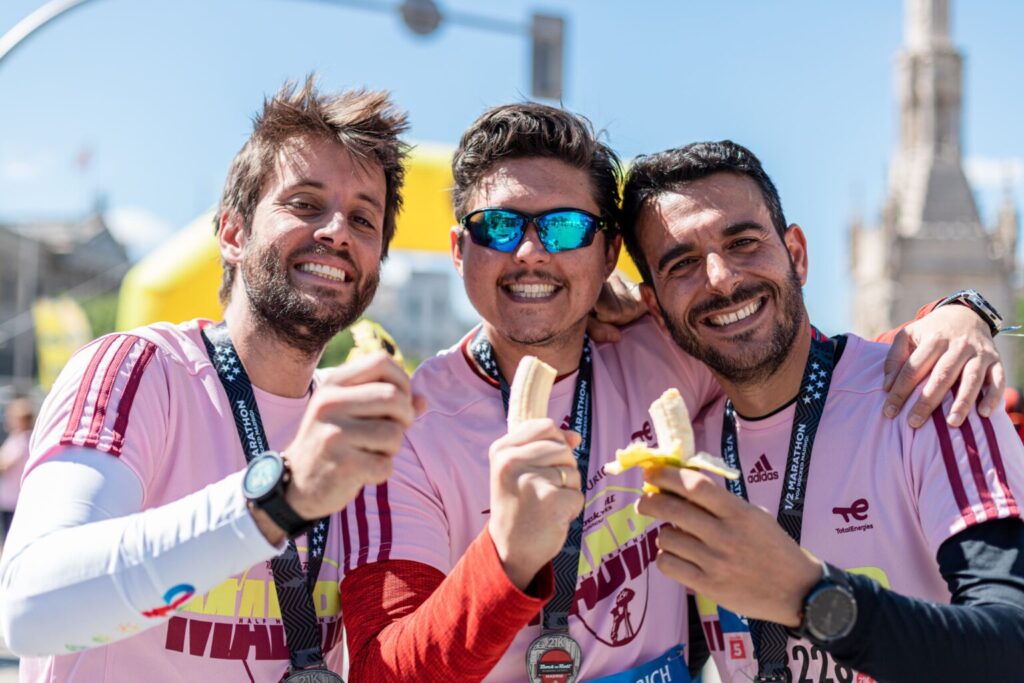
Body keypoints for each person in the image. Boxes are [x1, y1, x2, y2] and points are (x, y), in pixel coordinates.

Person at [337, 104, 1004, 682]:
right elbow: (379, 669)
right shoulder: (410, 430)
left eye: (566, 227)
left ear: (606, 256)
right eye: (499, 228)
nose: (531, 252)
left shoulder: (667, 351)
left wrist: (957, 313)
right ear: (459, 249)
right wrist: (507, 558)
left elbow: (803, 361)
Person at [0, 76, 419, 682]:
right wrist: (278, 499)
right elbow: (31, 610)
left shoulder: (368, 424)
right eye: (304, 204)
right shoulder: (138, 369)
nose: (336, 232)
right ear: (232, 233)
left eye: (363, 218)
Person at [620, 140, 1024, 682]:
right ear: (657, 311)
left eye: (743, 242)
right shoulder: (683, 456)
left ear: (798, 254)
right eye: (683, 264)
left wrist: (811, 598)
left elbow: (1012, 644)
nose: (720, 277)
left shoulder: (932, 396)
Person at [0, 398, 34, 549]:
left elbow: (5, 465)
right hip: (13, 499)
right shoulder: (25, 439)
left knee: (10, 542)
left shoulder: (22, 440)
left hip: (13, 501)